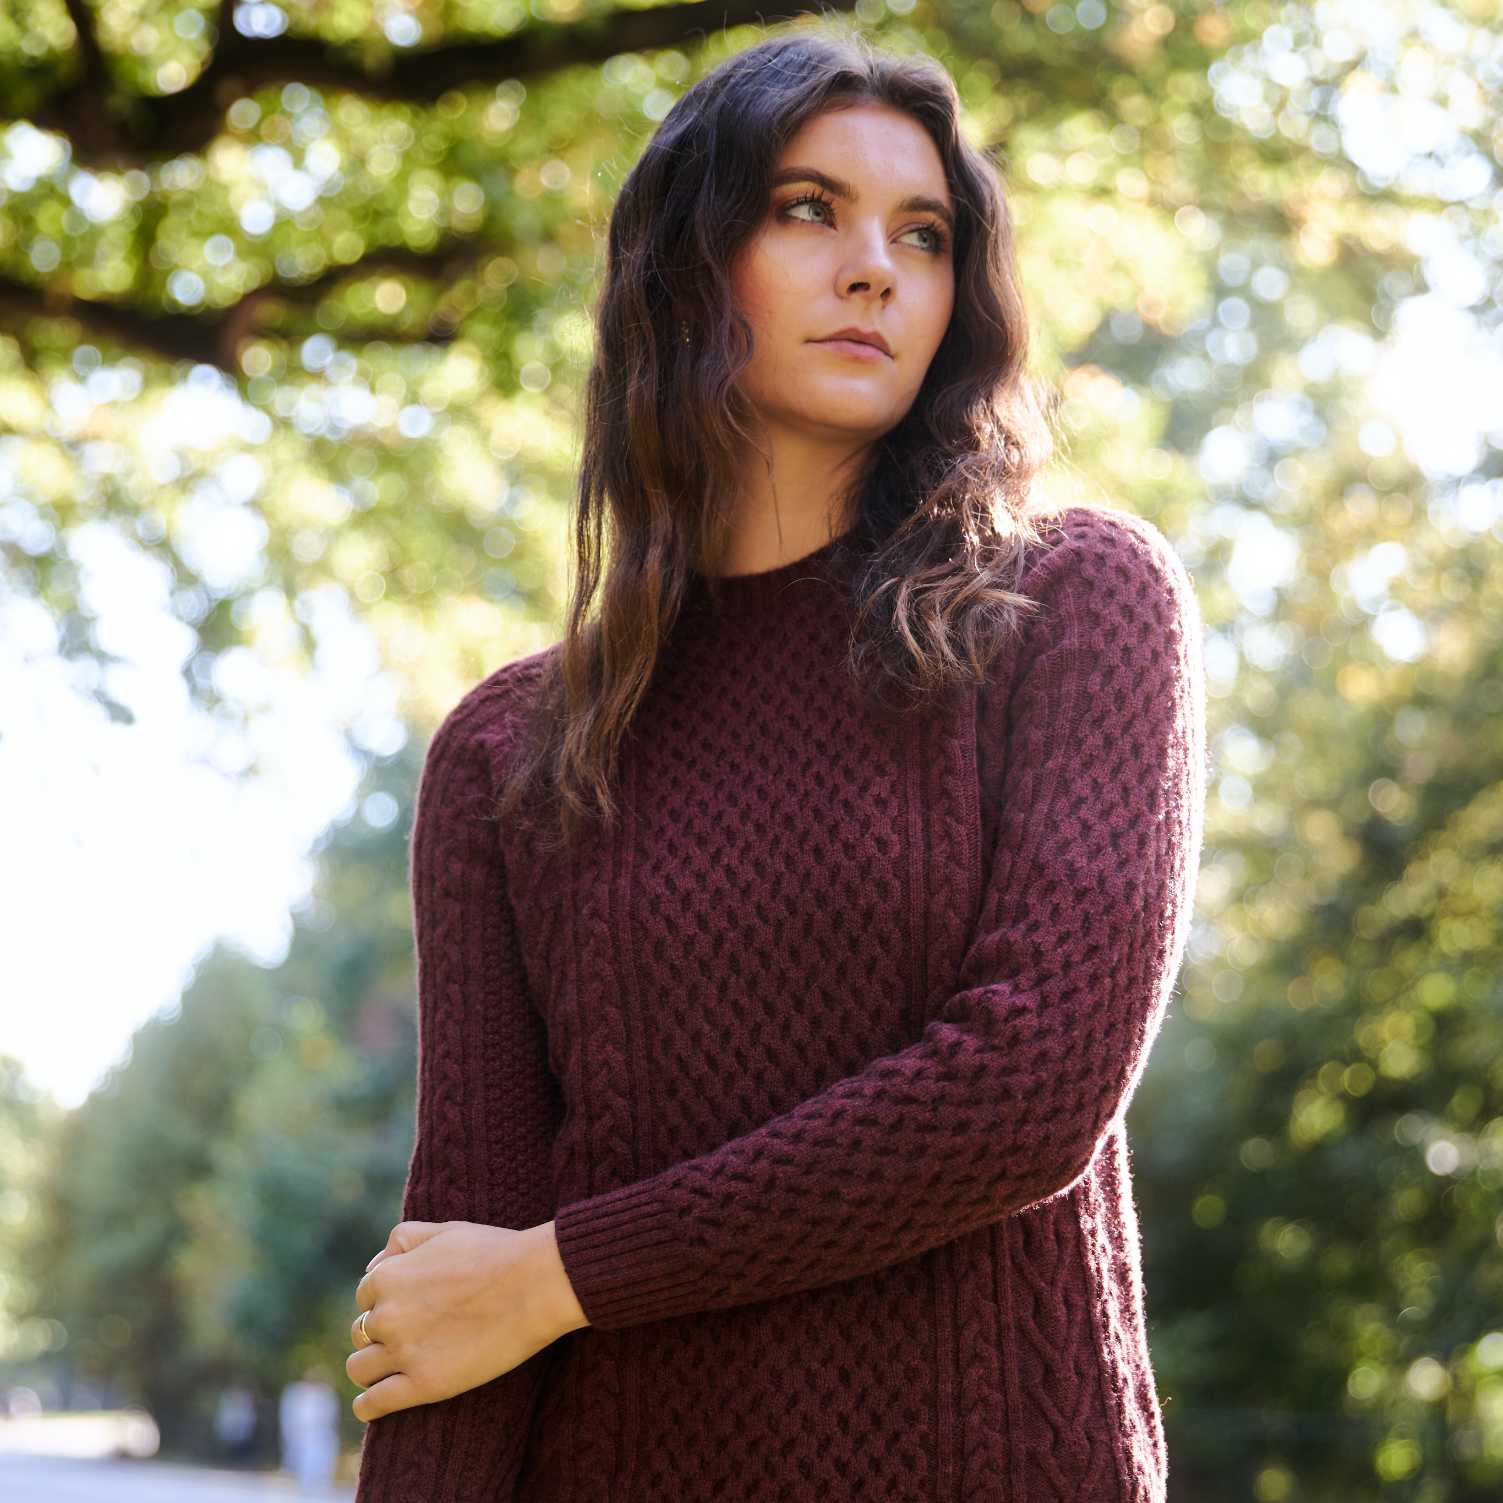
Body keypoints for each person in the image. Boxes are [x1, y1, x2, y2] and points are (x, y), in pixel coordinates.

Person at [351, 20, 1207, 1503]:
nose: (873, 263)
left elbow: (1028, 1085)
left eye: (921, 233)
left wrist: (568, 1273)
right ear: (689, 262)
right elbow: (456, 1280)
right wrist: (511, 1297)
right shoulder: (509, 751)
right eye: (807, 209)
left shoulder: (1072, 604)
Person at [278, 1366, 339, 1493]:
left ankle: (320, 1483)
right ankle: (304, 1484)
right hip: (304, 1433)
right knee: (303, 1458)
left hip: (320, 1432)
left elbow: (330, 1415)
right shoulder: (297, 1392)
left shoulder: (325, 1393)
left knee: (321, 1459)